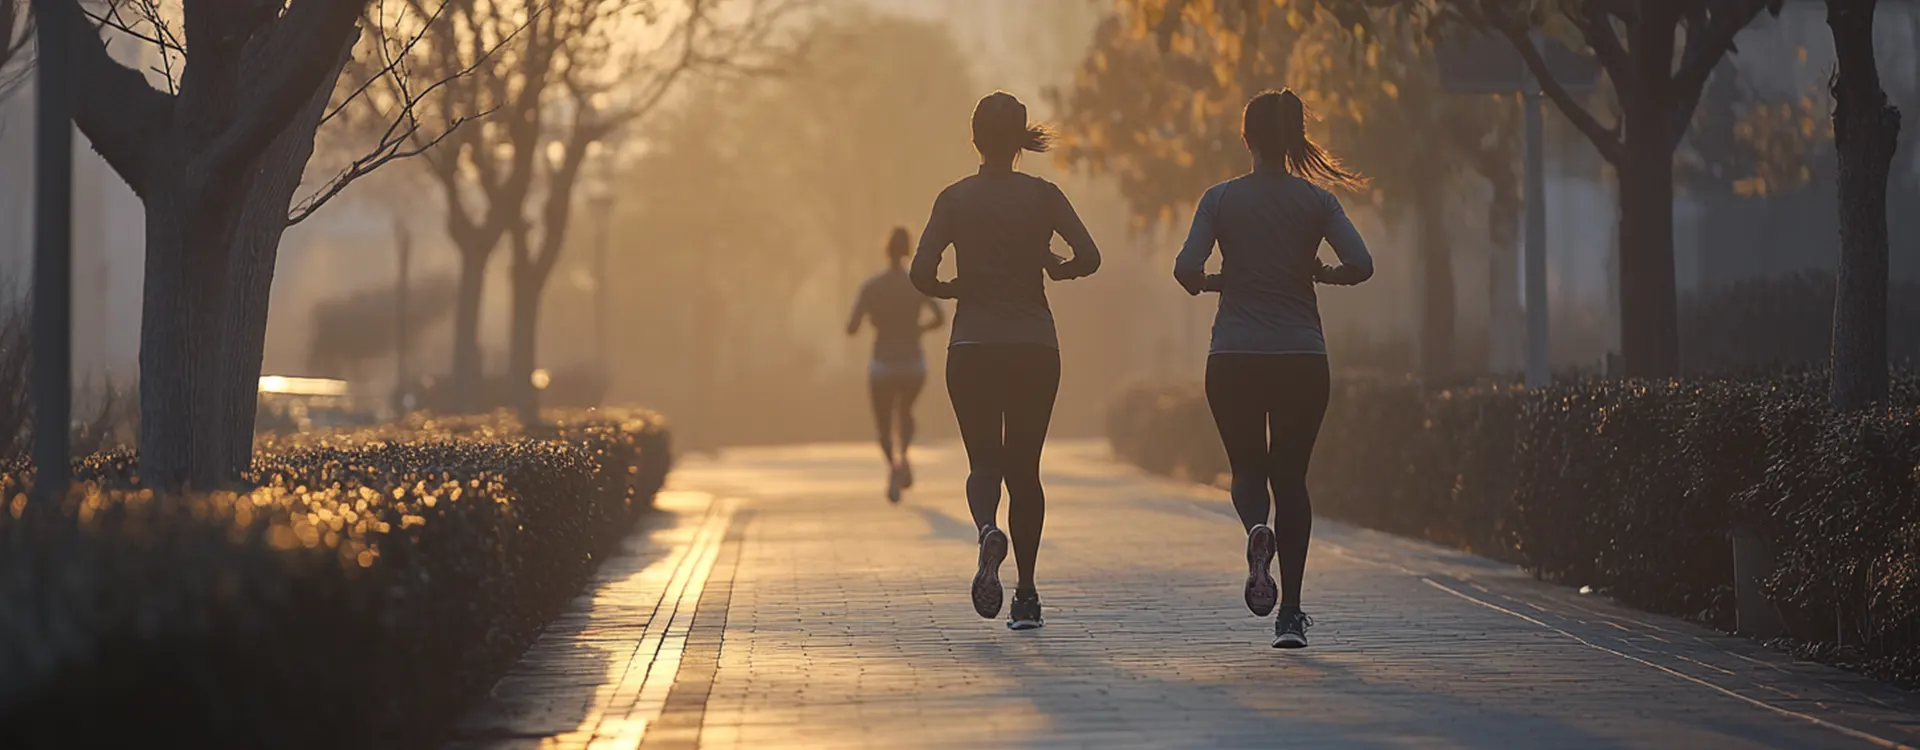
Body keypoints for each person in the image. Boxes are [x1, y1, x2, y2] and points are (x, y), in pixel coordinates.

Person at [1173, 89, 1372, 649]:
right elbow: (1361, 263)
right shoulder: (1317, 202)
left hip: (1233, 355)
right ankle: (1291, 614)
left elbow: (1186, 268)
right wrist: (1321, 275)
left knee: (1246, 472)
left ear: (1246, 139)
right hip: (1301, 358)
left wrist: (1216, 282)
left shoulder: (1219, 199)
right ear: (1291, 140)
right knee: (1292, 480)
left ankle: (1256, 531)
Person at [911, 91, 1100, 631]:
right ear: (1021, 141)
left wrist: (950, 288)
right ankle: (1027, 594)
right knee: (1025, 470)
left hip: (972, 345)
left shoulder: (953, 199)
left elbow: (920, 272)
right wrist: (1056, 269)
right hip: (1035, 347)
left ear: (973, 139)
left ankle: (986, 530)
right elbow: (1089, 255)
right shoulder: (1045, 196)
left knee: (984, 464)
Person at [847, 226, 946, 504]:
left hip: (882, 364)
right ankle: (903, 458)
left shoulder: (872, 287)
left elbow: (852, 327)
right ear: (908, 250)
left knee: (882, 423)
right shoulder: (915, 284)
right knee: (905, 411)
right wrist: (919, 329)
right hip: (913, 364)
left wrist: (871, 321)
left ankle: (895, 465)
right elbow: (940, 318)